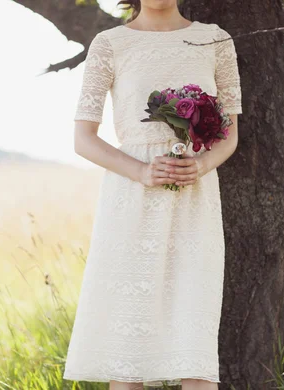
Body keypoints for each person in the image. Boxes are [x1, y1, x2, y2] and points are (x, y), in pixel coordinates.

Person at [63, 0, 243, 389]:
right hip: (131, 205)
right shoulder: (109, 44)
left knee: (194, 352)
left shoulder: (214, 40)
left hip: (195, 206)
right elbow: (83, 140)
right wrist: (142, 172)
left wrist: (201, 164)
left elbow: (229, 136)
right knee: (129, 358)